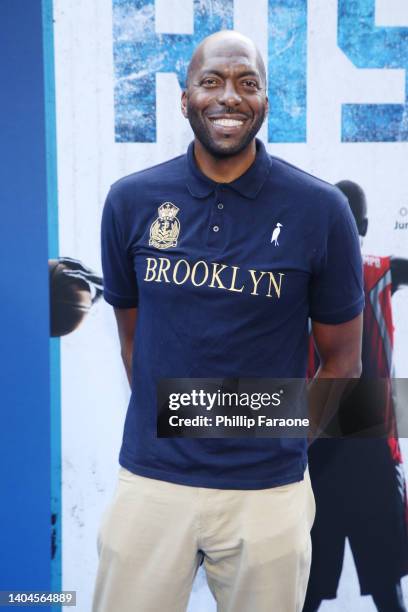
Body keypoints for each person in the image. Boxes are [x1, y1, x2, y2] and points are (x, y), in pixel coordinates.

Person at [92, 31, 364, 612]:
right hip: (153, 482)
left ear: (267, 100)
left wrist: (282, 438)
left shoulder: (320, 211)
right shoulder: (132, 201)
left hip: (268, 495)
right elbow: (133, 337)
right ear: (184, 98)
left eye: (247, 83)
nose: (229, 97)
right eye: (211, 82)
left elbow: (344, 359)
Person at [304, 180, 408, 612]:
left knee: (306, 590)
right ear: (363, 224)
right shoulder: (383, 268)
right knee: (387, 591)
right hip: (368, 440)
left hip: (317, 439)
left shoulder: (299, 277)